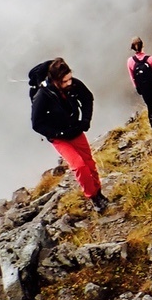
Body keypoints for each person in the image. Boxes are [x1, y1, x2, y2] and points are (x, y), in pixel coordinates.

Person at [31, 57, 109, 210]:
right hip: (59, 137)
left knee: (89, 163)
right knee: (79, 166)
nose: (69, 83)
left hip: (75, 129)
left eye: (70, 79)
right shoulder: (43, 96)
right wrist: (57, 133)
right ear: (55, 81)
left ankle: (98, 193)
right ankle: (93, 197)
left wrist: (85, 120)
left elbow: (87, 98)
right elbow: (36, 123)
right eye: (65, 81)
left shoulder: (73, 84)